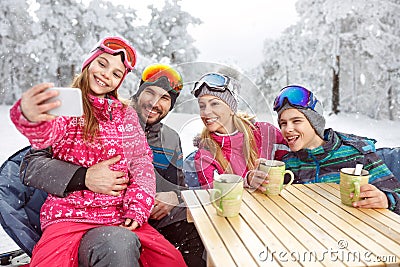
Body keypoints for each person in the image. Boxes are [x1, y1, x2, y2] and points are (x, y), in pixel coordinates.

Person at [9, 36, 186, 267]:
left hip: (118, 215)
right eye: (102, 64)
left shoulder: (126, 115)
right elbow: (47, 135)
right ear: (89, 63)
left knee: (170, 260)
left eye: (115, 74)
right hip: (68, 217)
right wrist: (31, 117)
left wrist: (137, 206)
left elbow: (141, 164)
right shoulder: (70, 106)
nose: (106, 75)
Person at [247, 84, 400, 214]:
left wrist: (385, 199)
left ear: (315, 123)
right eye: (283, 123)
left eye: (296, 121)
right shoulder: (288, 164)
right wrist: (257, 181)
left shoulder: (357, 153)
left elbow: (396, 195)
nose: (288, 129)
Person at [191, 72, 289, 188]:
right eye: (202, 106)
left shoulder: (266, 133)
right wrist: (246, 181)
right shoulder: (205, 155)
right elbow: (213, 193)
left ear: (232, 109)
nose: (206, 112)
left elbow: (297, 160)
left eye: (214, 104)